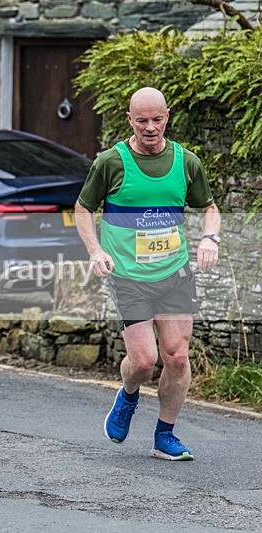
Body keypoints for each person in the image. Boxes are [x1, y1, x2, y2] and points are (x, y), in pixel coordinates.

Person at [74, 87, 220, 461]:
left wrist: (209, 239)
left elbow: (210, 208)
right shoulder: (112, 162)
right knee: (142, 361)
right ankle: (128, 395)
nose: (150, 128)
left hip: (174, 273)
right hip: (129, 277)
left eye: (157, 120)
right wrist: (95, 250)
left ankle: (164, 435)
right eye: (142, 121)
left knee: (177, 357)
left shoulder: (187, 162)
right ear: (130, 120)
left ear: (167, 117)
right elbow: (82, 208)